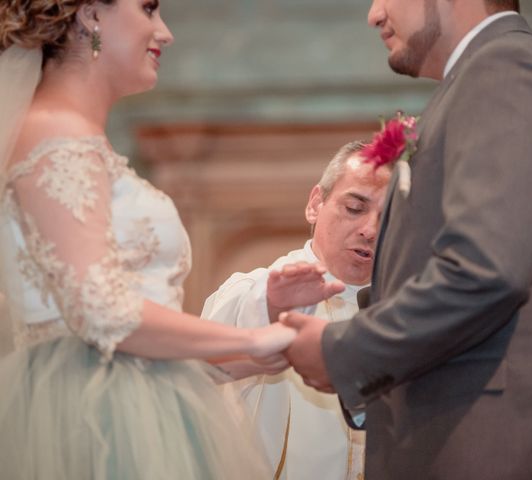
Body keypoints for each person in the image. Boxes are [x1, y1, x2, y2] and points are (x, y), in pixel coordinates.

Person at [282, 0, 532, 479]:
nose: (374, 14)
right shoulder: (477, 82)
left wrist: (344, 351)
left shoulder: (508, 69)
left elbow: (485, 271)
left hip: (504, 445)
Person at [0, 1, 316, 478]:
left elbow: (132, 343)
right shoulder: (55, 135)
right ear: (90, 14)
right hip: (92, 427)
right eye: (148, 9)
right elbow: (102, 313)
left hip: (135, 411)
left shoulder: (81, 139)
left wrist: (246, 358)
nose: (164, 33)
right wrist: (250, 336)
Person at [201, 140, 391, 480]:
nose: (370, 230)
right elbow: (208, 356)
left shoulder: (403, 313)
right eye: (355, 207)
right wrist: (273, 307)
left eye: (387, 216)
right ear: (316, 204)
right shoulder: (254, 289)